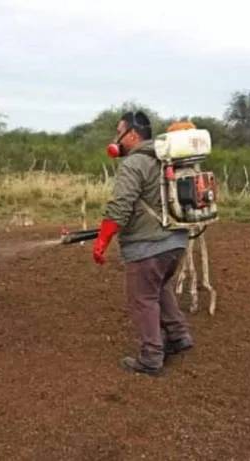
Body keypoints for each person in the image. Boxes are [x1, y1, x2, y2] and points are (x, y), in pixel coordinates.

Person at [93, 111, 194, 376]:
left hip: (148, 244)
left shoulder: (134, 163)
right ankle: (178, 335)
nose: (117, 138)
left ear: (133, 135)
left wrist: (102, 240)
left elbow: (120, 206)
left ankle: (151, 358)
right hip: (176, 241)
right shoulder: (165, 158)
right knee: (159, 287)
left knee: (143, 298)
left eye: (119, 132)